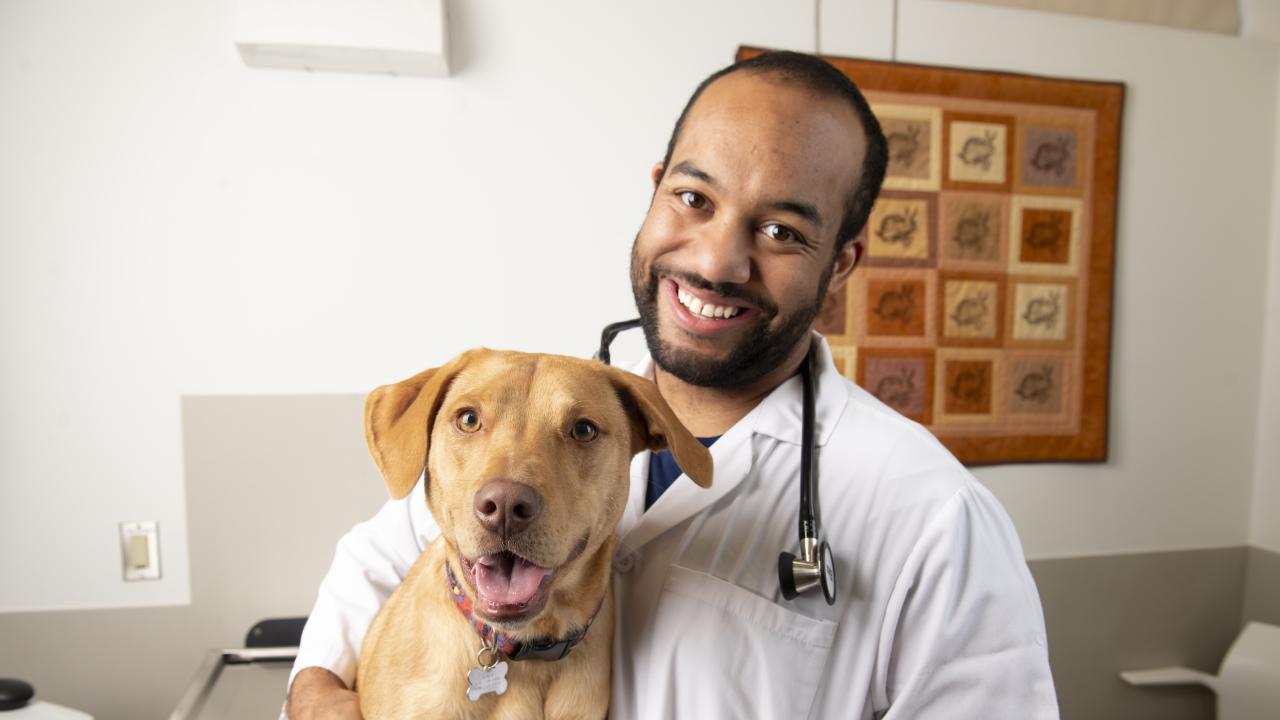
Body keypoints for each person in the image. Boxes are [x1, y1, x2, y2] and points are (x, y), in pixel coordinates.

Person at [286, 50, 1059, 719]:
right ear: (656, 191)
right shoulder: (540, 423)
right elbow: (375, 568)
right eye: (694, 199)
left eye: (783, 231)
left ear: (841, 267)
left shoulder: (933, 518)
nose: (718, 260)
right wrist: (317, 694)